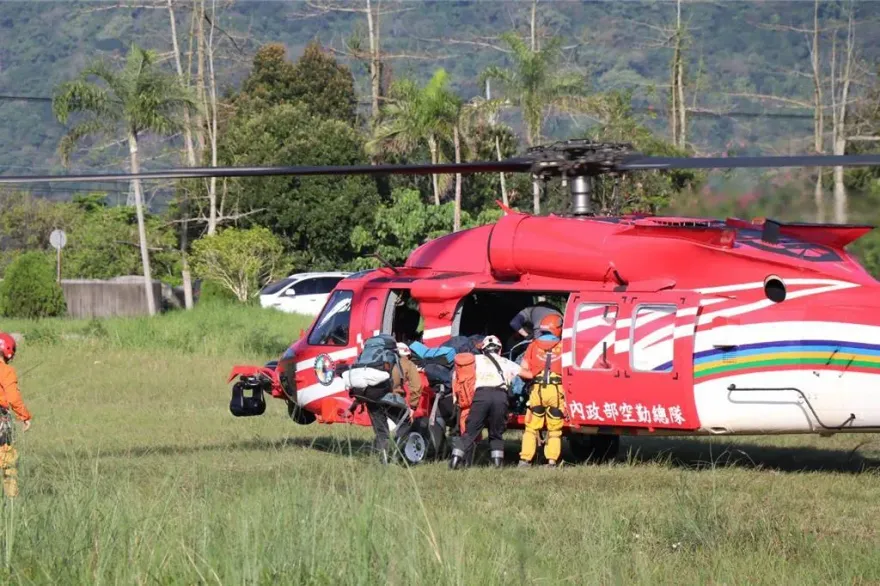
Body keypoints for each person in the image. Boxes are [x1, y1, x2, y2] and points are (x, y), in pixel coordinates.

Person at [449, 335, 534, 469]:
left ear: (483, 350)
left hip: (481, 396)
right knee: (496, 433)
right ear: (499, 350)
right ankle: (497, 465)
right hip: (500, 397)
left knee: (470, 431)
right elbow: (529, 375)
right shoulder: (506, 362)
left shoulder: (474, 360)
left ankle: (454, 461)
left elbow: (456, 375)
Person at [517, 314, 566, 468]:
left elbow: (523, 368)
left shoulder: (533, 345)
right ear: (557, 329)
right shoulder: (564, 346)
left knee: (531, 427)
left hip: (536, 391)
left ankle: (525, 460)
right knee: (555, 428)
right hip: (556, 391)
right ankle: (551, 461)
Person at [363, 342, 422, 464]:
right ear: (408, 353)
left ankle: (383, 459)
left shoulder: (378, 360)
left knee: (381, 431)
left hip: (372, 399)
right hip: (392, 400)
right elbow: (417, 386)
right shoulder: (408, 363)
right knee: (405, 425)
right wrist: (412, 406)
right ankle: (397, 454)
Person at [0, 333, 31, 498]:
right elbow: (13, 397)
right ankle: (12, 499)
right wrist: (24, 416)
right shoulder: (6, 370)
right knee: (7, 459)